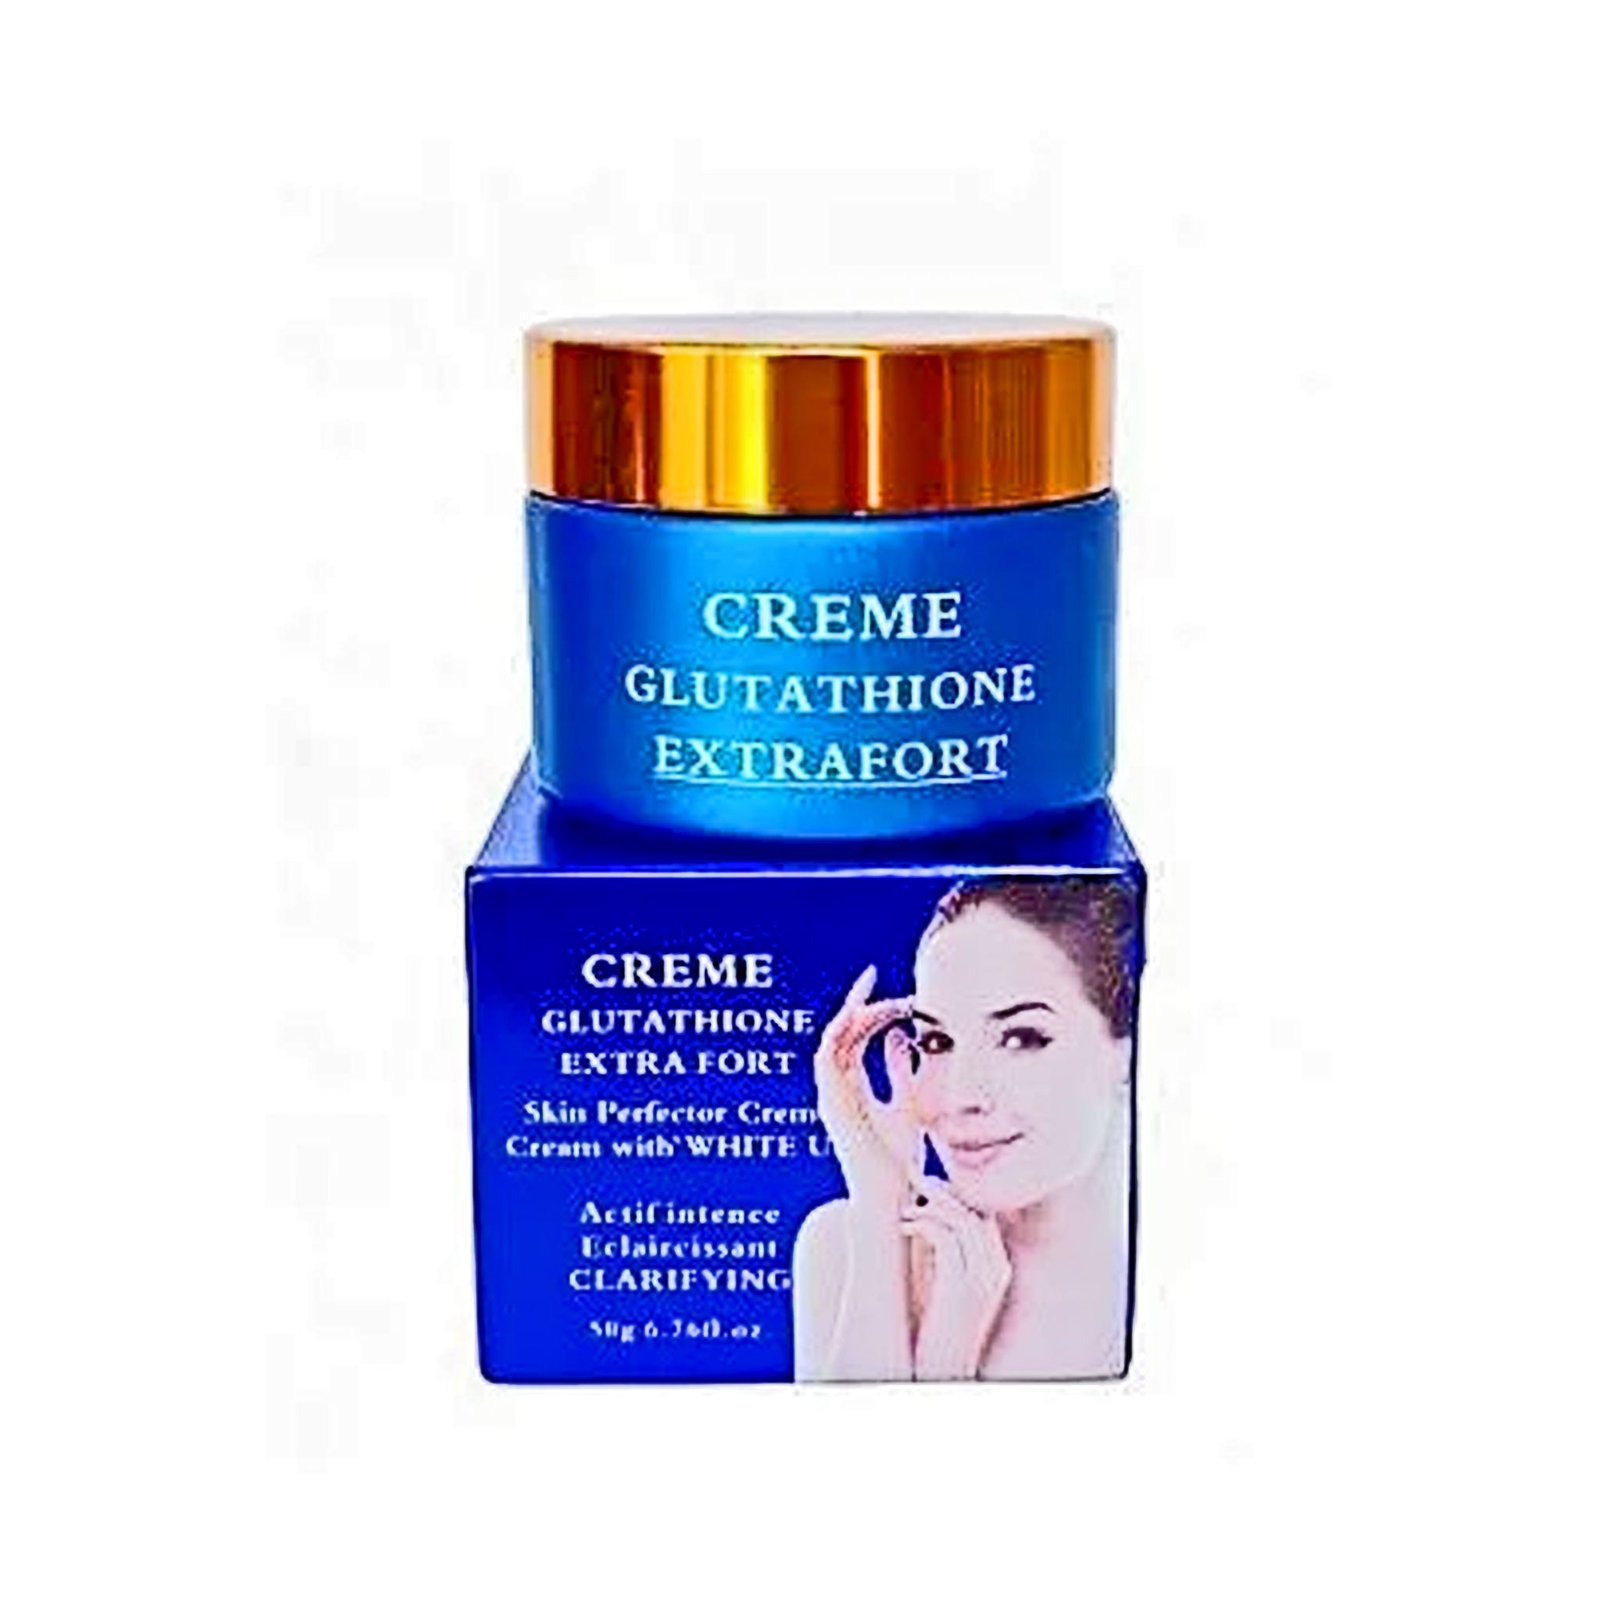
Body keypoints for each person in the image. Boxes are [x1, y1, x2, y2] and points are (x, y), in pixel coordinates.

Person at [793, 877, 1136, 1380]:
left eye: (1021, 1038)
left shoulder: (1171, 1282)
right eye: (937, 1042)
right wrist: (879, 1204)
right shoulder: (844, 1245)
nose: (960, 1096)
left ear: (1124, 1052)